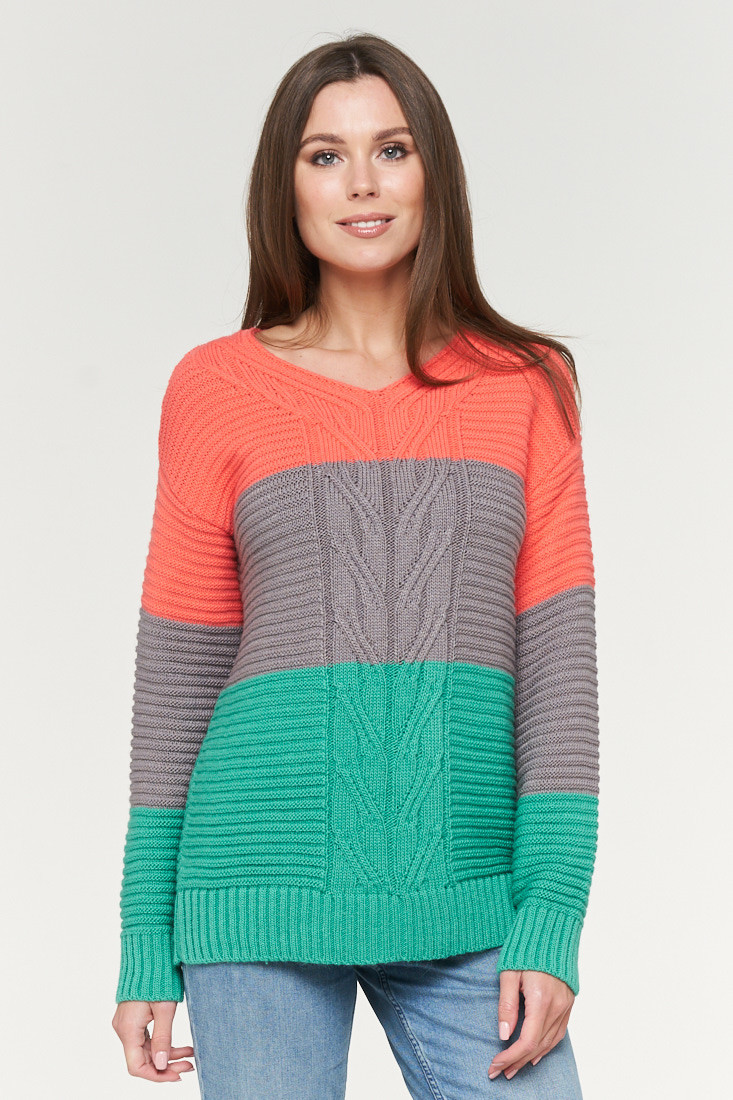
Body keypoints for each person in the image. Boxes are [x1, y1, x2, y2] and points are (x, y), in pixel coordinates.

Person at [111, 32, 599, 1099]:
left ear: (433, 173)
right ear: (284, 186)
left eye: (392, 148)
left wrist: (551, 916)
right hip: (257, 883)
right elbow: (179, 677)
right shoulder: (216, 388)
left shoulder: (527, 385)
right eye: (325, 155)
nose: (362, 182)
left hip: (470, 894)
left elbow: (558, 671)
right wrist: (145, 939)